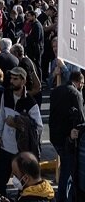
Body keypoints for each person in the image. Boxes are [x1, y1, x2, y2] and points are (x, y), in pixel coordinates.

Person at [0, 67, 43, 197]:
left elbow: (38, 127)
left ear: (23, 81)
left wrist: (17, 123)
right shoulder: (6, 95)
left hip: (20, 151)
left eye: (15, 79)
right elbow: (1, 115)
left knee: (23, 186)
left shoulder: (30, 103)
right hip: (5, 147)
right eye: (11, 78)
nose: (12, 81)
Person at [49, 71, 84, 202]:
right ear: (79, 82)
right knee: (67, 171)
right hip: (68, 139)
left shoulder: (57, 91)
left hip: (55, 136)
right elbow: (81, 119)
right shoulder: (76, 93)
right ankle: (63, 198)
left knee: (65, 167)